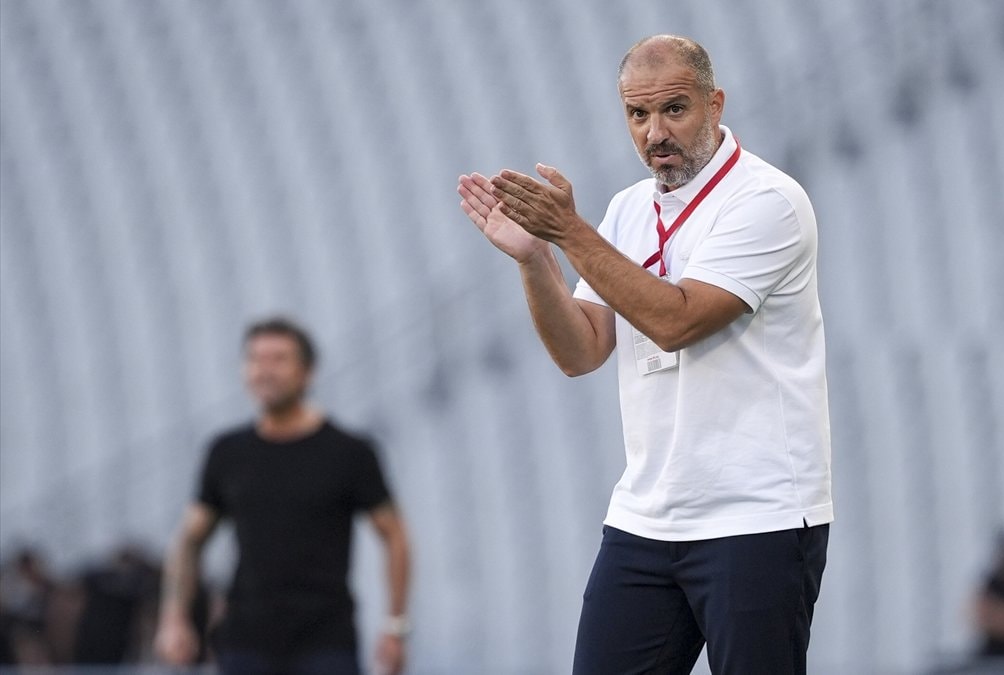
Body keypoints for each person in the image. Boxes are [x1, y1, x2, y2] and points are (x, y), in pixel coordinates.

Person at [458, 34, 832, 674]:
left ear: (715, 104)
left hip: (757, 515)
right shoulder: (628, 209)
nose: (655, 132)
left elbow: (675, 322)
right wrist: (536, 257)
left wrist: (568, 232)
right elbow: (581, 350)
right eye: (638, 114)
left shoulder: (767, 200)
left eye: (674, 109)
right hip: (647, 517)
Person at [154, 317, 412, 675]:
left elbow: (395, 536)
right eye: (255, 359)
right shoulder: (227, 452)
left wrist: (396, 627)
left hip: (325, 641)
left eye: (279, 359)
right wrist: (174, 617)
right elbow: (190, 539)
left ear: (307, 372)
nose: (265, 371)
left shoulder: (348, 452)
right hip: (245, 642)